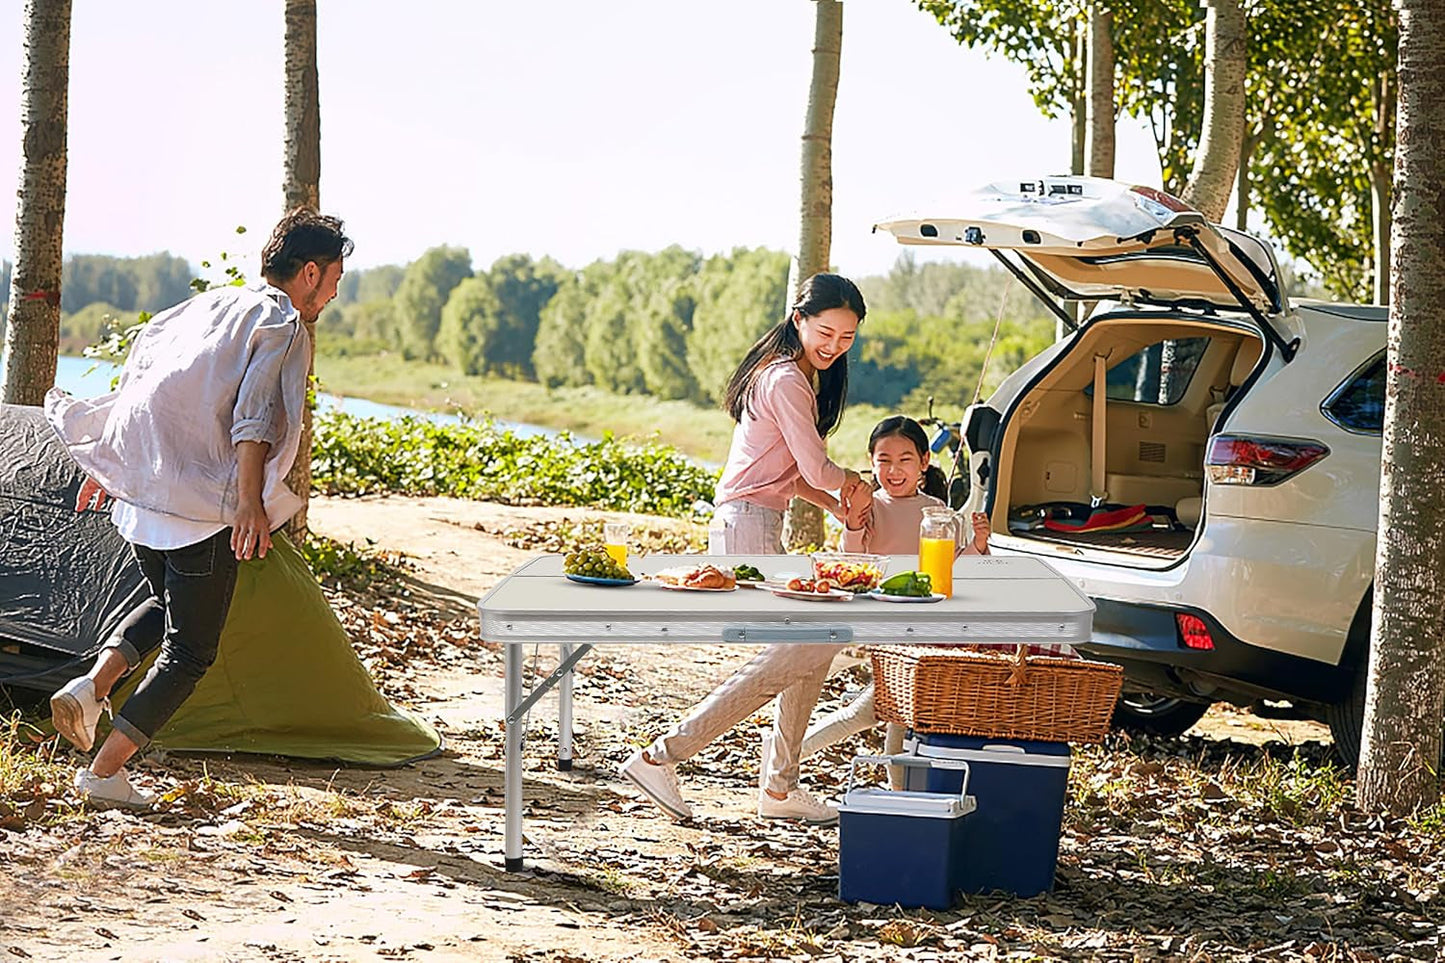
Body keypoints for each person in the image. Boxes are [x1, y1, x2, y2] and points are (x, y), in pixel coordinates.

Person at [43, 208, 352, 809]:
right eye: (335, 279)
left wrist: (110, 463)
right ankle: (103, 775)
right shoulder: (281, 321)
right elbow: (254, 419)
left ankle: (90, 690)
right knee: (190, 652)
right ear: (311, 272)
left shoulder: (203, 308)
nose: (335, 293)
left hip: (147, 499)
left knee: (166, 606)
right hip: (201, 507)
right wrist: (249, 505)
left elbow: (140, 385)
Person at [622, 273, 871, 826]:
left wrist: (834, 506)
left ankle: (778, 789)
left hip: (756, 521)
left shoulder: (794, 375)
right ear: (799, 319)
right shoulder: (785, 379)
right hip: (745, 528)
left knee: (815, 645)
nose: (834, 346)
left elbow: (786, 472)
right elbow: (815, 468)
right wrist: (854, 482)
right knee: (804, 646)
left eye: (847, 337)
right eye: (825, 332)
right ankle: (662, 755)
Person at [797, 415, 990, 766]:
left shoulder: (938, 512)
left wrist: (978, 544)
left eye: (905, 460)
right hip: (886, 624)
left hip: (926, 627)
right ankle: (787, 757)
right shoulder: (869, 505)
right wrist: (853, 522)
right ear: (871, 462)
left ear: (924, 462)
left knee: (898, 715)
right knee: (873, 710)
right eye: (884, 460)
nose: (894, 470)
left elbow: (954, 568)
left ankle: (895, 792)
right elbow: (851, 561)